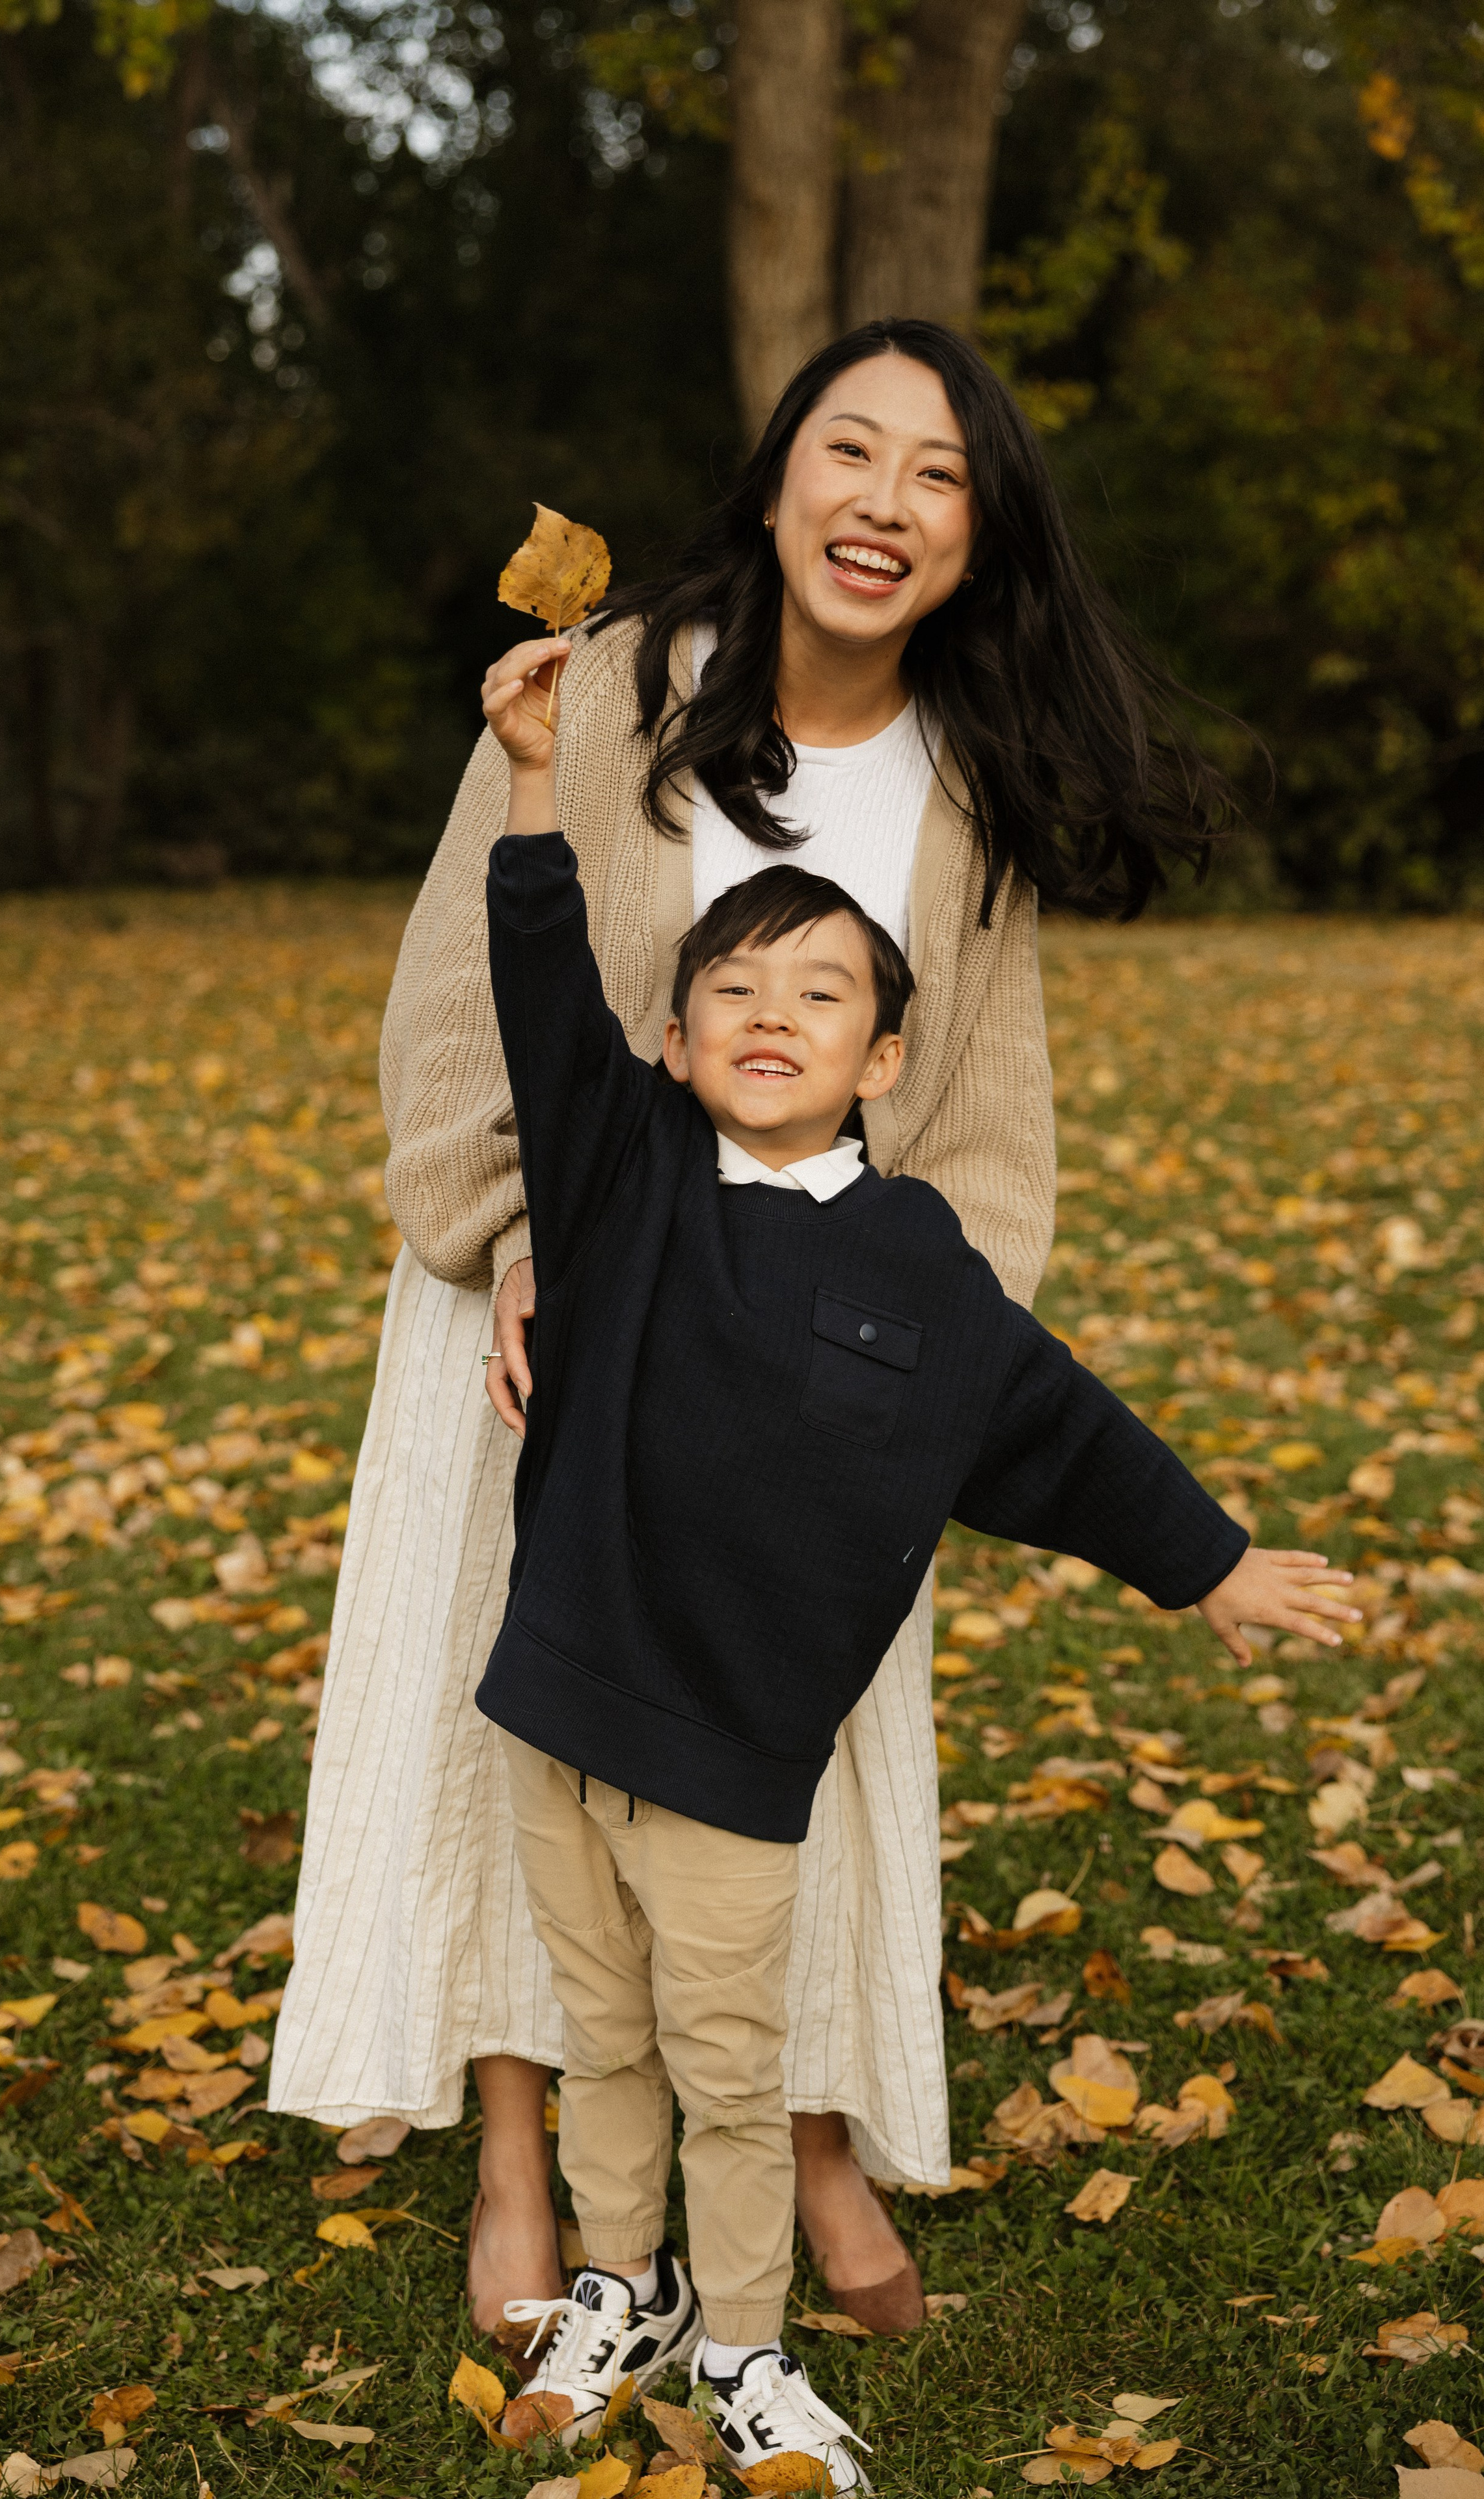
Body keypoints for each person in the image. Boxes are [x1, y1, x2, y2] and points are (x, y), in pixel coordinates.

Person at [268, 316, 1239, 2341]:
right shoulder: (612, 687)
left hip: (801, 1391)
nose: (884, 504)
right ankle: (524, 2153)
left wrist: (880, 1364)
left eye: (939, 476)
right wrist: (534, 1239)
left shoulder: (966, 791)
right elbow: (468, 988)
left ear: (982, 538)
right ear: (781, 472)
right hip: (551, 1322)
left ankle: (800, 2129)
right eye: (851, 452)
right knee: (513, 1724)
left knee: (776, 1761)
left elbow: (983, 1128)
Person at [474, 694, 1358, 2485]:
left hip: (732, 1756)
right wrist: (531, 779)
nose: (772, 1018)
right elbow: (537, 987)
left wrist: (1215, 1566)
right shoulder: (620, 1175)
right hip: (558, 1705)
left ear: (885, 1056)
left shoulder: (917, 1267)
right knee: (604, 2038)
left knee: (727, 2071)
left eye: (820, 995)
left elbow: (1062, 1433)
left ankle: (738, 2345)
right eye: (733, 991)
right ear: (670, 1037)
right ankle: (618, 2288)